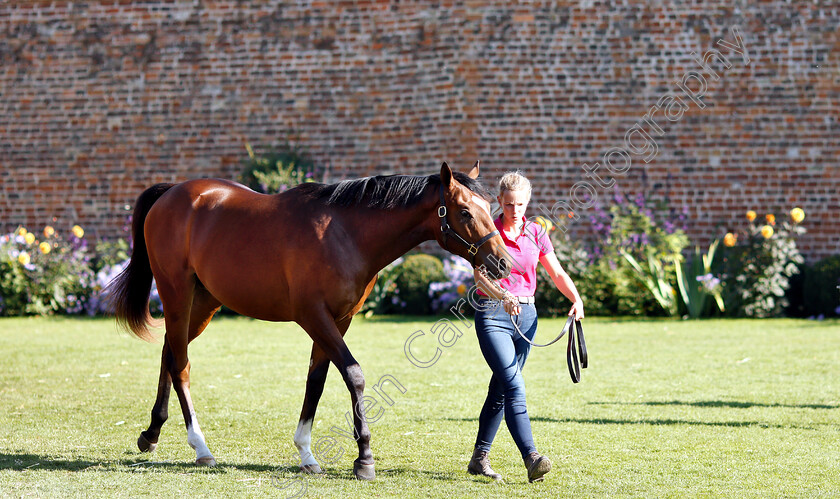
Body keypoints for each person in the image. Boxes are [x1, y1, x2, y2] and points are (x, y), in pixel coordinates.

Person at [467, 171, 585, 483]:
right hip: (493, 313)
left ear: (528, 201)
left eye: (520, 204)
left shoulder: (536, 233)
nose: (514, 210)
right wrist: (503, 294)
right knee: (514, 384)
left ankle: (480, 458)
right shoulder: (487, 230)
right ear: (500, 202)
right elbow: (480, 277)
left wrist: (576, 299)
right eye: (508, 204)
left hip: (528, 316)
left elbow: (556, 272)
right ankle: (531, 457)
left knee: (502, 387)